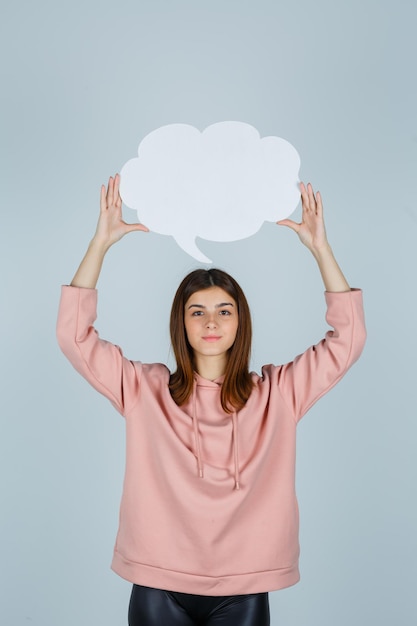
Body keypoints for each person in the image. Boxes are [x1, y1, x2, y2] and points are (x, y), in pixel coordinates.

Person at [56, 174, 366, 626]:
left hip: (243, 589)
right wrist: (99, 243)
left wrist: (321, 249)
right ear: (180, 323)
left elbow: (349, 340)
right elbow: (73, 336)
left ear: (241, 322)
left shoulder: (278, 393)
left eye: (225, 310)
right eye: (196, 311)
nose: (211, 322)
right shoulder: (146, 390)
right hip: (158, 583)